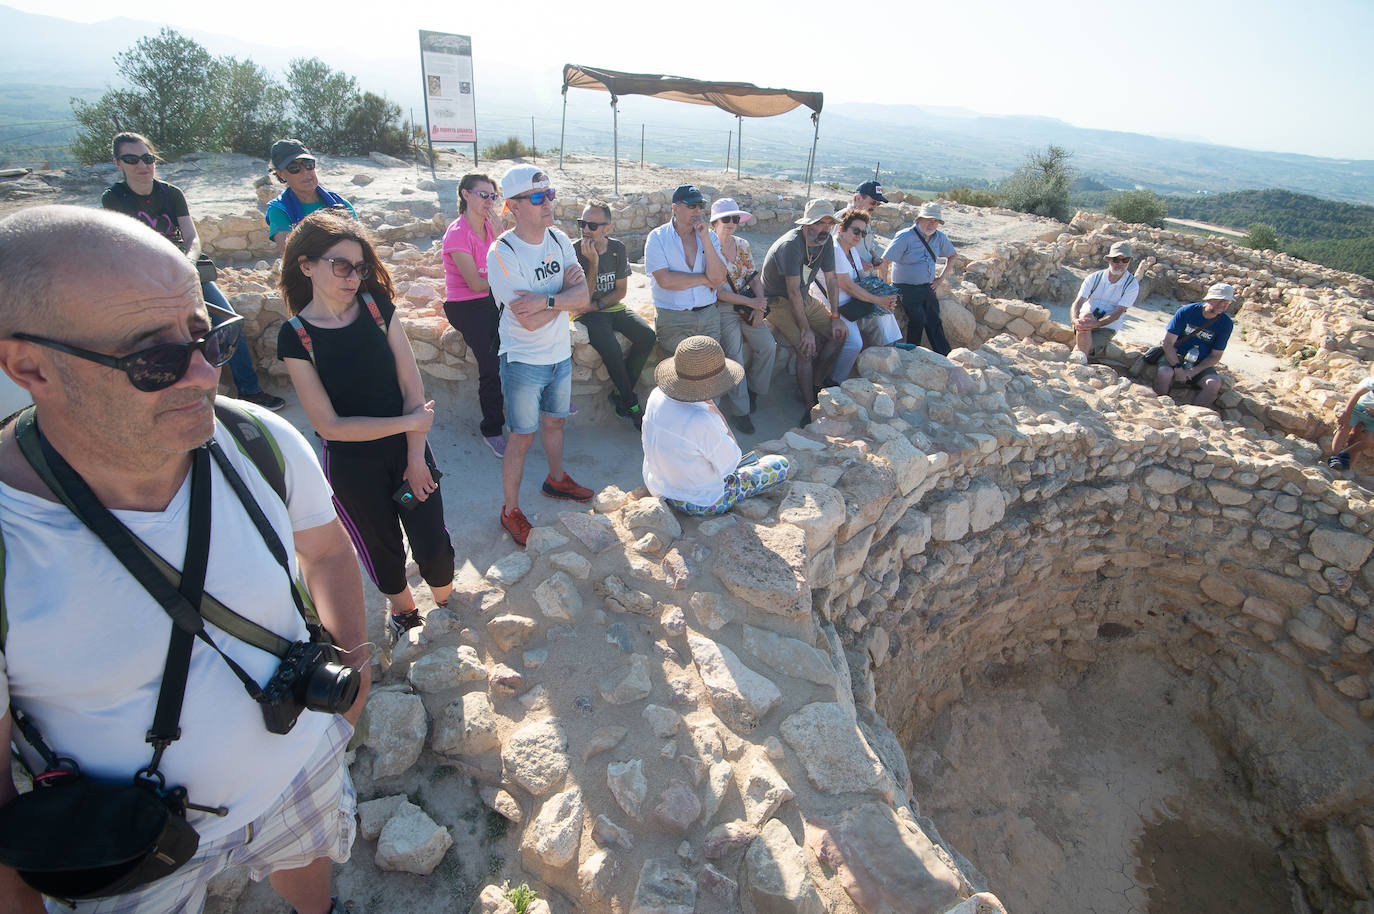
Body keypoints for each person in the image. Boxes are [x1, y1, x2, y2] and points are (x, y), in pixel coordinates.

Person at [0, 205, 367, 914]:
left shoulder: (257, 442)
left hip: (300, 767)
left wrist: (354, 686)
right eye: (153, 358)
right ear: (31, 366)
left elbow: (326, 551)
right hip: (123, 847)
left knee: (313, 865)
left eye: (209, 336)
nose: (202, 375)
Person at [276, 211, 454, 645]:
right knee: (382, 548)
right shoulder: (296, 336)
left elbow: (413, 386)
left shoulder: (378, 310)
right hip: (353, 466)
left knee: (432, 540)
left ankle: (449, 610)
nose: (353, 277)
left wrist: (415, 455)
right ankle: (407, 615)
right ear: (306, 265)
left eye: (360, 267)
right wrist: (409, 422)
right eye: (341, 266)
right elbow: (330, 427)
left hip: (409, 451)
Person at [101, 131, 285, 411]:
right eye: (132, 159)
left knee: (228, 322)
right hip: (143, 278)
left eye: (147, 158)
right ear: (118, 163)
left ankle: (249, 389)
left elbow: (192, 237)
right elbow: (121, 246)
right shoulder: (114, 199)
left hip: (184, 271)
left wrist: (186, 264)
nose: (142, 166)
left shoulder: (170, 193)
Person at [486, 165, 594, 547]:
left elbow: (584, 298)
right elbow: (526, 322)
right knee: (521, 437)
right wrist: (564, 299)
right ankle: (510, 510)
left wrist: (547, 300)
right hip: (523, 360)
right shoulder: (502, 253)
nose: (548, 202)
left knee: (554, 424)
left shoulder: (559, 239)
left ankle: (556, 479)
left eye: (550, 194)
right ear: (513, 206)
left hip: (558, 354)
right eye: (537, 197)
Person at [642, 336, 790, 516]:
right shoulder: (701, 420)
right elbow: (730, 465)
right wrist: (716, 412)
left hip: (660, 486)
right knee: (780, 464)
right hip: (701, 501)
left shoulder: (656, 394)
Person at [644, 186, 751, 432]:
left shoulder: (709, 237)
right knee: (678, 381)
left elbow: (718, 276)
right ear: (675, 207)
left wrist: (704, 240)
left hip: (707, 315)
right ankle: (675, 431)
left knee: (711, 378)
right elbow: (666, 281)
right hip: (674, 318)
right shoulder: (658, 237)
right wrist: (704, 279)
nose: (697, 211)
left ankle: (706, 431)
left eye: (700, 206)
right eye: (691, 206)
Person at [762, 199, 850, 426]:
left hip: (803, 296)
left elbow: (831, 280)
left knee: (839, 334)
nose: (826, 228)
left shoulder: (825, 241)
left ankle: (816, 382)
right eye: (821, 223)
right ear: (808, 224)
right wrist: (805, 330)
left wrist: (835, 317)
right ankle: (810, 407)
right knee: (805, 348)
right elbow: (791, 291)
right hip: (778, 301)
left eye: (829, 223)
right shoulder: (791, 245)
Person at [573, 200, 656, 429]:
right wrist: (593, 263)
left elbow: (621, 291)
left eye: (592, 225)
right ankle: (632, 405)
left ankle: (620, 391)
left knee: (647, 337)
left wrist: (598, 304)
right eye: (582, 224)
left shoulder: (617, 248)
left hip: (607, 306)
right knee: (611, 349)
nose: (586, 230)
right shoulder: (574, 251)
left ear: (607, 229)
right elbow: (582, 300)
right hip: (586, 313)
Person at [442, 173, 507, 457]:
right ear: (466, 195)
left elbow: (510, 263)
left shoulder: (493, 228)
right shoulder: (457, 233)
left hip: (492, 299)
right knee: (491, 362)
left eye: (493, 196)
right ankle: (492, 429)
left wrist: (503, 235)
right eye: (483, 195)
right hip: (466, 304)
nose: (489, 201)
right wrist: (507, 276)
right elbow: (476, 284)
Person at [709, 197, 776, 421]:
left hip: (748, 305)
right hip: (725, 308)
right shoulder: (708, 250)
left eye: (734, 218)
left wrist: (759, 305)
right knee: (734, 355)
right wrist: (753, 304)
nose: (731, 223)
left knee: (768, 346)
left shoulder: (742, 245)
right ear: (715, 222)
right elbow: (718, 292)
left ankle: (754, 391)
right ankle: (741, 411)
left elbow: (753, 276)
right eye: (725, 218)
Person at [829, 208, 903, 381]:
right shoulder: (835, 250)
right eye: (856, 231)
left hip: (853, 302)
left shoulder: (852, 250)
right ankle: (835, 381)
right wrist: (878, 300)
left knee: (885, 315)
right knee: (854, 343)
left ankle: (888, 356)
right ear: (841, 228)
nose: (859, 236)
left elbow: (862, 279)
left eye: (863, 233)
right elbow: (848, 286)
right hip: (837, 304)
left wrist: (885, 298)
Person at [880, 202, 957, 354]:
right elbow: (884, 262)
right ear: (919, 219)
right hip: (905, 287)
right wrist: (885, 290)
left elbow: (953, 256)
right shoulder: (905, 236)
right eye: (928, 219)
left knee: (934, 320)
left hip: (927, 286)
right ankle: (912, 353)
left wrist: (940, 280)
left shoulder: (939, 237)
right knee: (918, 319)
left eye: (935, 221)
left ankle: (944, 355)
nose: (932, 223)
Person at [265, 139, 358, 256]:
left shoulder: (341, 204)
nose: (305, 172)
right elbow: (291, 254)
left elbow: (361, 245)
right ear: (281, 174)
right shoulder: (280, 210)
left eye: (308, 165)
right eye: (294, 168)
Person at [1151, 282, 1236, 408]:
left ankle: (1196, 414)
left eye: (1227, 302)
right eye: (1220, 300)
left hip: (1199, 361)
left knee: (1213, 383)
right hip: (1176, 355)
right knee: (1165, 373)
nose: (1223, 304)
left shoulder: (1226, 323)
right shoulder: (1187, 311)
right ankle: (1160, 406)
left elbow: (1216, 355)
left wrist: (1193, 371)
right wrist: (1178, 367)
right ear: (1209, 299)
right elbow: (1168, 343)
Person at [1069, 241, 1139, 364]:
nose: (1120, 264)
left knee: (1086, 347)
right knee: (1086, 317)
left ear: (1129, 261)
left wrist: (1096, 324)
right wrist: (1074, 319)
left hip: (1107, 326)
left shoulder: (1131, 285)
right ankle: (1081, 362)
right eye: (1116, 260)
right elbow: (1078, 302)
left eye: (1125, 260)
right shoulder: (1094, 277)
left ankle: (1079, 358)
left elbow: (1117, 313)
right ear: (1109, 260)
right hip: (1085, 321)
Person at [1329, 375, 1374, 471]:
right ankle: (1334, 457)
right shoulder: (1372, 382)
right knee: (1345, 428)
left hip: (1372, 418)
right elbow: (1357, 394)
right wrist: (1346, 413)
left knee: (1369, 441)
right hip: (1359, 408)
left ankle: (1344, 454)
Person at [851, 180, 888, 270]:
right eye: (873, 202)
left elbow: (869, 247)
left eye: (878, 204)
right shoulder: (843, 219)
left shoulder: (866, 220)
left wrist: (875, 258)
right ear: (858, 198)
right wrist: (857, 263)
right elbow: (836, 251)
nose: (875, 207)